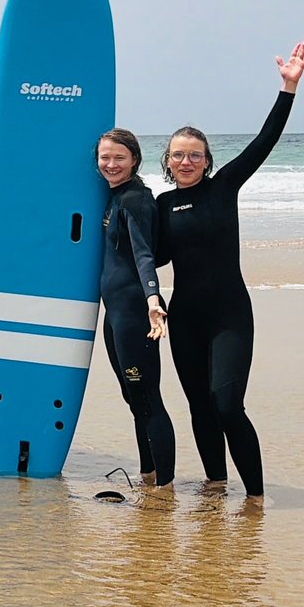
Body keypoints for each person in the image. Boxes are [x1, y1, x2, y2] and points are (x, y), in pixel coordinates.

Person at [156, 43, 304, 503]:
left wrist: (288, 88)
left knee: (227, 404)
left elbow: (265, 139)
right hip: (185, 317)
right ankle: (215, 484)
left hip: (229, 315)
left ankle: (256, 498)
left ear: (207, 160)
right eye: (178, 155)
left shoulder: (224, 187)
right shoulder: (161, 205)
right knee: (199, 406)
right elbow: (153, 257)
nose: (186, 162)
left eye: (195, 155)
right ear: (167, 161)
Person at [96, 128, 176, 489]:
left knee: (147, 398)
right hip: (114, 314)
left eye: (119, 158)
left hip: (134, 313)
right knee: (133, 397)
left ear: (135, 160)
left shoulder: (136, 200)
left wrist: (153, 300)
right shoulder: (113, 196)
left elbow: (144, 255)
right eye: (105, 157)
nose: (111, 164)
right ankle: (148, 474)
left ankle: (165, 486)